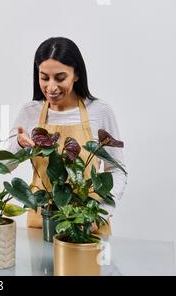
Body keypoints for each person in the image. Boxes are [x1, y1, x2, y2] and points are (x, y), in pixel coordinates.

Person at [7, 37, 127, 234]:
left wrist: (100, 214)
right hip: (42, 220)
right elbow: (6, 166)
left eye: (60, 78)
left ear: (76, 74)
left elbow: (117, 170)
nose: (51, 87)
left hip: (88, 220)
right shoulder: (30, 112)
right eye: (44, 78)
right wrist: (19, 146)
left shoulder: (100, 111)